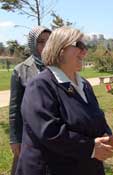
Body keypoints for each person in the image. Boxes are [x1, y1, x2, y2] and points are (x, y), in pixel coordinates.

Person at [15, 26, 113, 175]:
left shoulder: (84, 84)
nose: (85, 51)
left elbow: (95, 116)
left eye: (85, 46)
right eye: (79, 46)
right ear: (60, 49)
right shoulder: (40, 85)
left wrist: (106, 136)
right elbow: (49, 132)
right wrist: (91, 148)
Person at [9, 26, 51, 175]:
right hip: (30, 136)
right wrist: (15, 139)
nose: (46, 46)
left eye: (49, 41)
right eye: (41, 42)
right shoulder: (20, 70)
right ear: (33, 44)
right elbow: (14, 109)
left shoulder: (58, 67)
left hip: (53, 134)